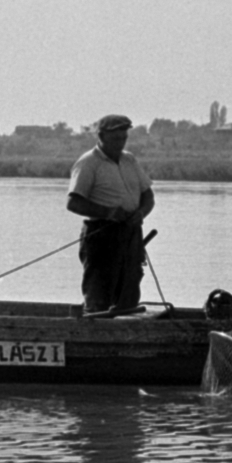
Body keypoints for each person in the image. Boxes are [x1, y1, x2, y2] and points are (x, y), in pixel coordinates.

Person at [67, 114, 154, 317]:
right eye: (115, 139)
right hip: (101, 236)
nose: (120, 143)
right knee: (99, 293)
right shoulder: (88, 163)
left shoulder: (130, 160)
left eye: (123, 138)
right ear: (101, 136)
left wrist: (141, 213)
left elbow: (148, 195)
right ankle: (95, 336)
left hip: (131, 233)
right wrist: (109, 213)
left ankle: (123, 337)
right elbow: (73, 202)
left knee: (129, 289)